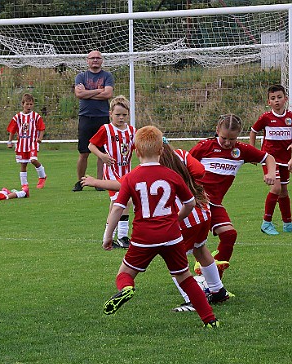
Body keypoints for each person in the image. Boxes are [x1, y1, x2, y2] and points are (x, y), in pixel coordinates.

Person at [82, 139, 230, 312]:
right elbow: (201, 172)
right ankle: (218, 290)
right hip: (202, 213)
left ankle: (192, 300)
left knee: (178, 264)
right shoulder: (181, 154)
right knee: (200, 249)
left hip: (179, 218)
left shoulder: (150, 169)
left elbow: (122, 185)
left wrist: (95, 181)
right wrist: (187, 181)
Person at [189, 114, 276, 278]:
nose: (228, 143)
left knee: (229, 235)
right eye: (224, 138)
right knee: (190, 243)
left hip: (213, 204)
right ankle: (197, 280)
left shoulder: (241, 150)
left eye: (232, 139)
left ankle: (214, 280)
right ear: (217, 130)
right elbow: (183, 163)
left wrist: (271, 173)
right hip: (195, 202)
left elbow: (268, 157)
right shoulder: (205, 146)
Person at [88, 95, 136, 248]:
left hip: (126, 173)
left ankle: (112, 237)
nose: (121, 118)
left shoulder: (132, 131)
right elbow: (91, 146)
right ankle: (121, 236)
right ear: (110, 114)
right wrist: (102, 155)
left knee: (117, 204)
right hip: (112, 174)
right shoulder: (106, 129)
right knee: (124, 201)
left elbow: (137, 148)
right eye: (117, 115)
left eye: (124, 115)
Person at [249, 84, 292, 235]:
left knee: (284, 191)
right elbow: (253, 131)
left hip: (285, 160)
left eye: (279, 97)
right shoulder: (266, 118)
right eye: (273, 98)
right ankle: (266, 223)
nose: (277, 101)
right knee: (276, 188)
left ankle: (288, 223)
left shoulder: (290, 117)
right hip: (270, 159)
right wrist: (253, 152)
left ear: (285, 99)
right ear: (269, 102)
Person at [72, 50, 114, 192]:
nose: (95, 60)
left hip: (102, 117)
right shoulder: (81, 76)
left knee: (102, 153)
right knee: (84, 152)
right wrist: (97, 91)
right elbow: (79, 94)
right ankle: (80, 182)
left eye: (98, 58)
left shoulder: (107, 76)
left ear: (102, 60)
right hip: (85, 117)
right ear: (87, 60)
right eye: (92, 58)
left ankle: (99, 183)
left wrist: (87, 93)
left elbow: (108, 94)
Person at [7, 93, 47, 190]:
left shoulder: (36, 116)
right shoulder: (17, 117)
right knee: (23, 164)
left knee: (33, 160)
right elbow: (12, 130)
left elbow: (42, 128)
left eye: (31, 104)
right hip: (21, 144)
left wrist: (40, 138)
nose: (29, 106)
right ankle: (24, 184)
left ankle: (42, 176)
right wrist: (10, 141)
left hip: (32, 143)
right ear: (22, 104)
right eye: (27, 104)